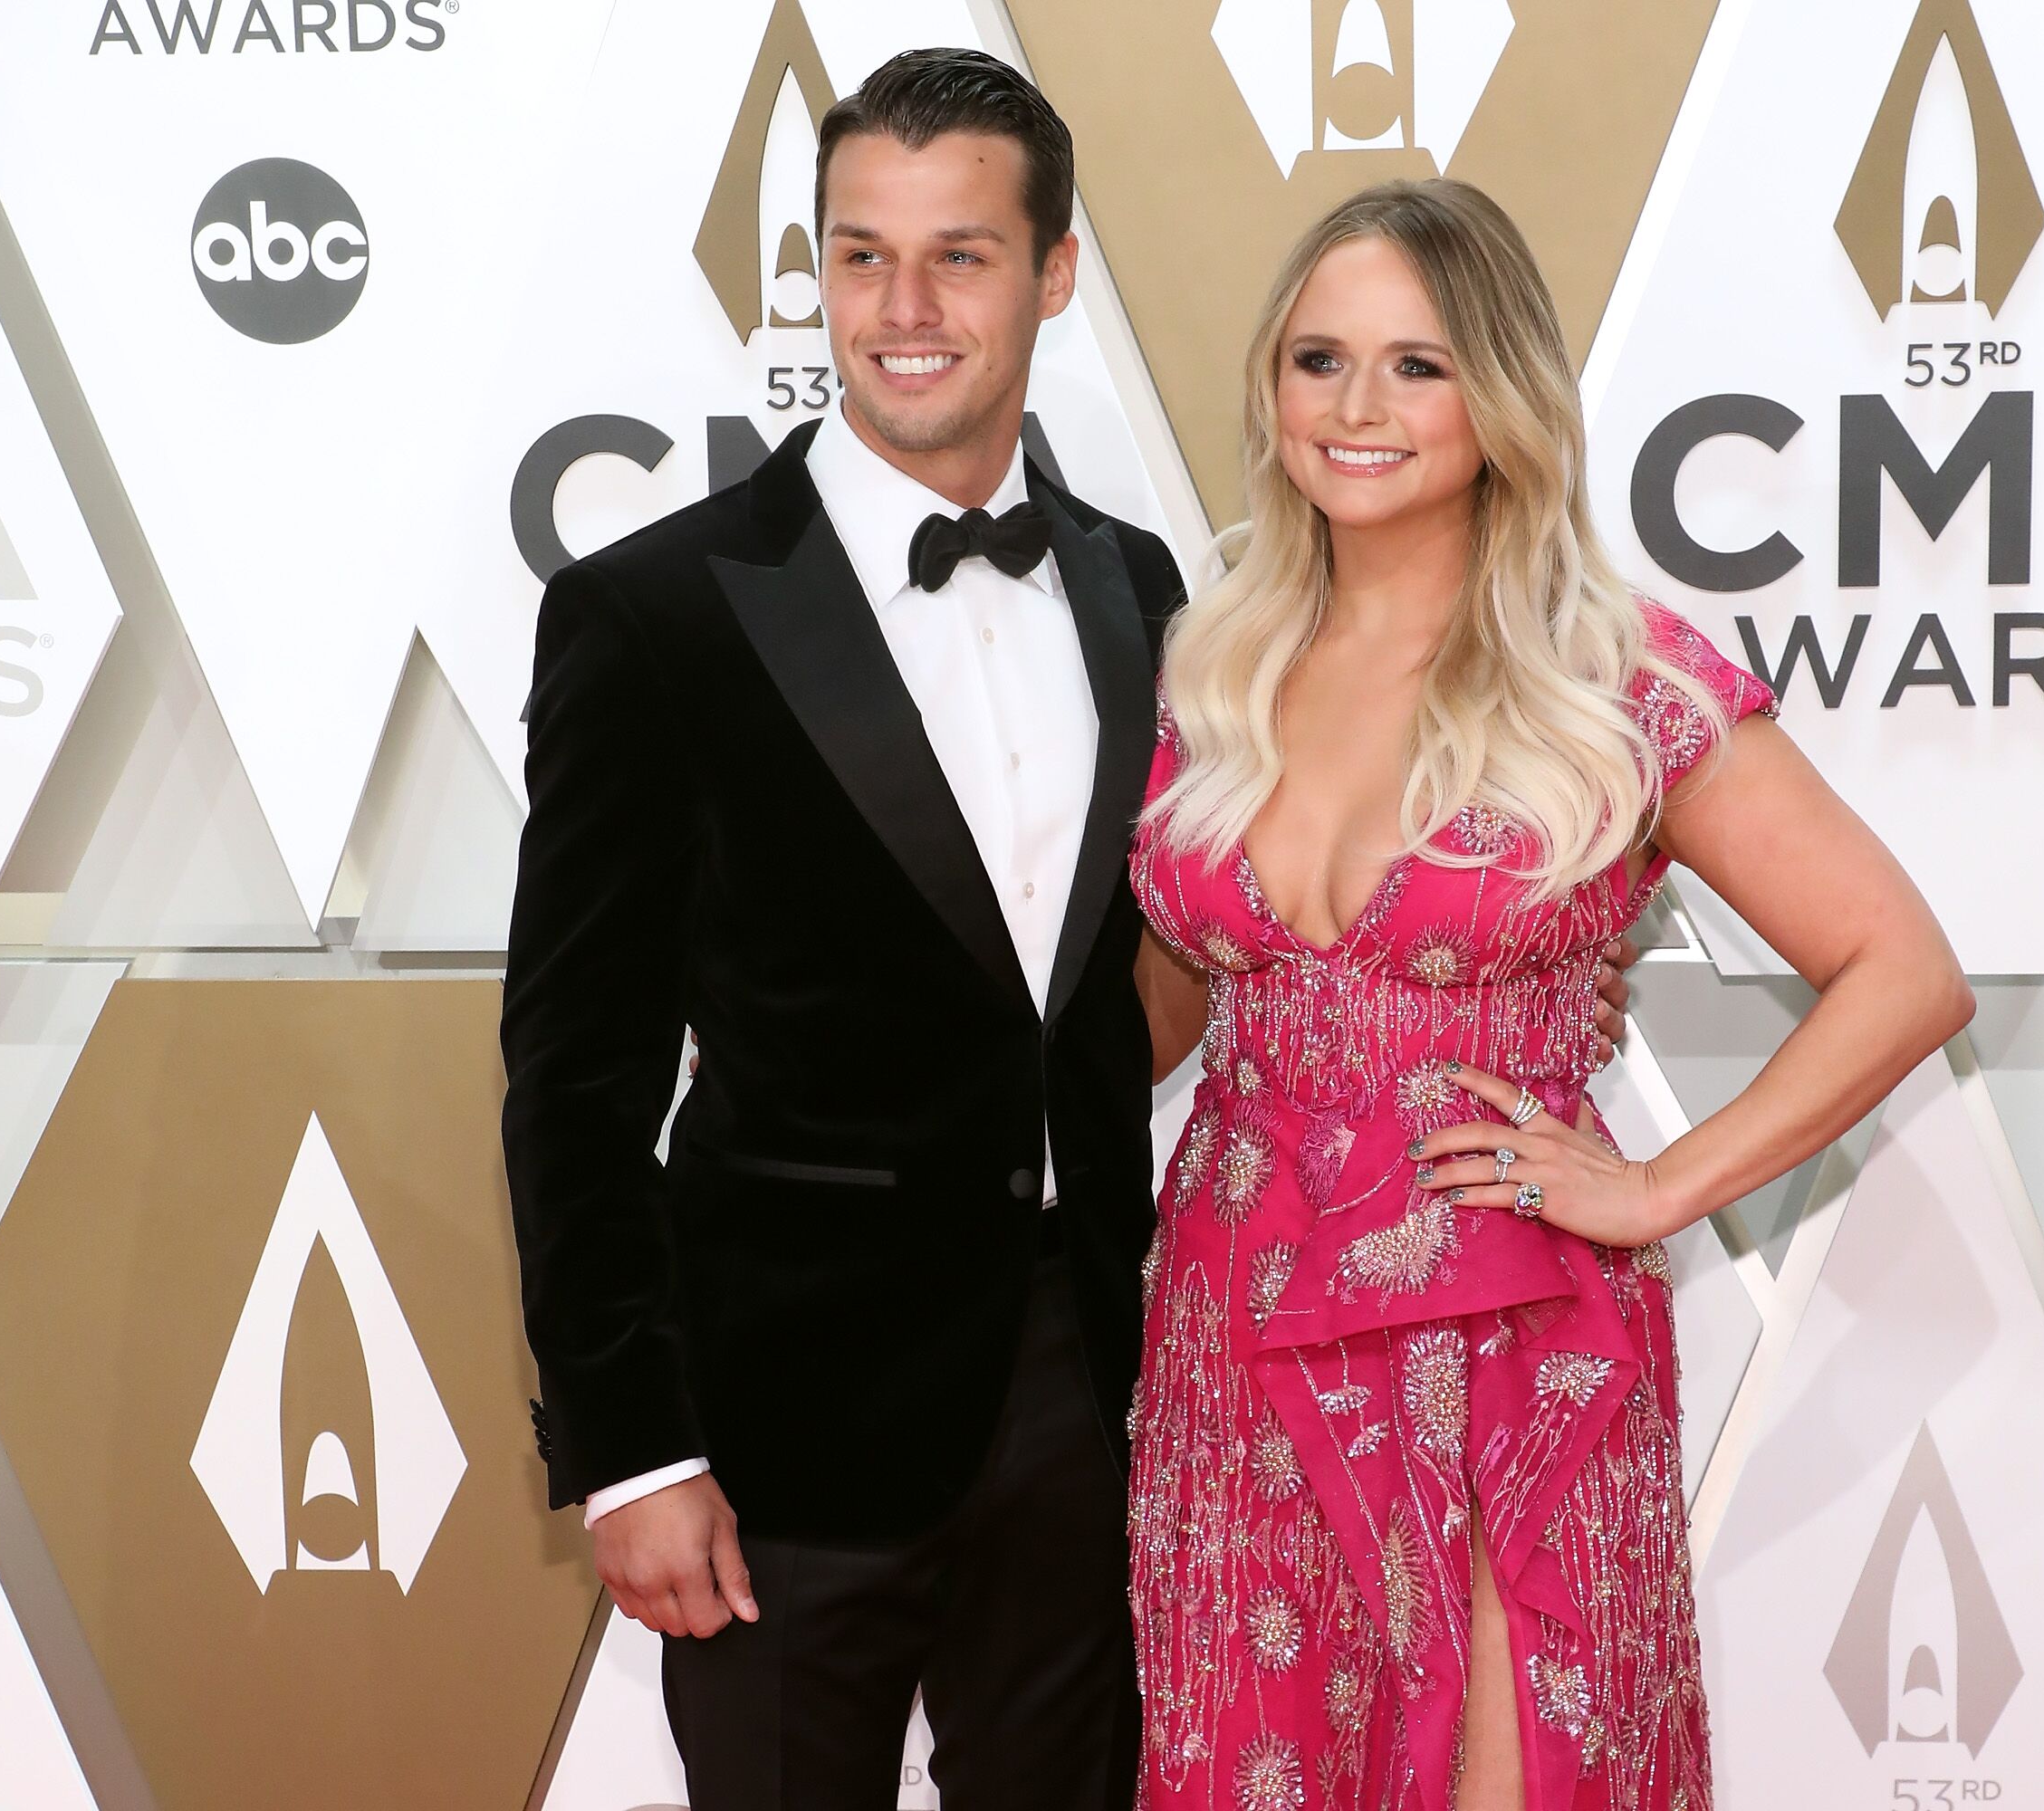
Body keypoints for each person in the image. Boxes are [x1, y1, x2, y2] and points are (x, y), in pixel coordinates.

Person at [500, 50, 1642, 1811]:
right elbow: (574, 1076)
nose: (901, 308)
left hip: (1104, 1410)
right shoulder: (652, 614)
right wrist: (633, 1445)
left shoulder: (1149, 595)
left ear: (1054, 275)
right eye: (860, 253)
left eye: (959, 254)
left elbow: (1128, 991)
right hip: (785, 1435)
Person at [1127, 181, 1973, 1810]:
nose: (1358, 409)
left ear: (1503, 396)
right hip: (1233, 1328)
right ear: (1272, 390)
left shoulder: (1614, 675)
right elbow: (1174, 994)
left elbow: (1904, 970)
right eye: (1320, 361)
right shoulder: (1212, 664)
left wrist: (1658, 1184)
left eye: (1417, 366)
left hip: (1512, 1339)